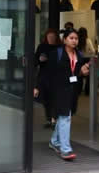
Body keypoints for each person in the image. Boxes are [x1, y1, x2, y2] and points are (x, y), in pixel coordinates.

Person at [34, 28, 90, 161]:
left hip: (72, 90)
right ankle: (65, 149)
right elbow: (46, 72)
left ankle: (54, 141)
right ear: (65, 40)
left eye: (76, 38)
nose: (74, 41)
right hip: (58, 90)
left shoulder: (80, 55)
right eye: (71, 38)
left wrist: (83, 71)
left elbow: (78, 74)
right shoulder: (56, 54)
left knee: (63, 117)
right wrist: (37, 86)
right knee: (65, 117)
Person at [34, 28, 60, 128]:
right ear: (46, 37)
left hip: (56, 76)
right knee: (46, 99)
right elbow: (36, 60)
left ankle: (54, 119)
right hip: (44, 76)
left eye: (53, 37)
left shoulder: (59, 47)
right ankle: (49, 119)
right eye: (49, 37)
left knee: (54, 98)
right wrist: (40, 60)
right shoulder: (42, 46)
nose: (51, 39)